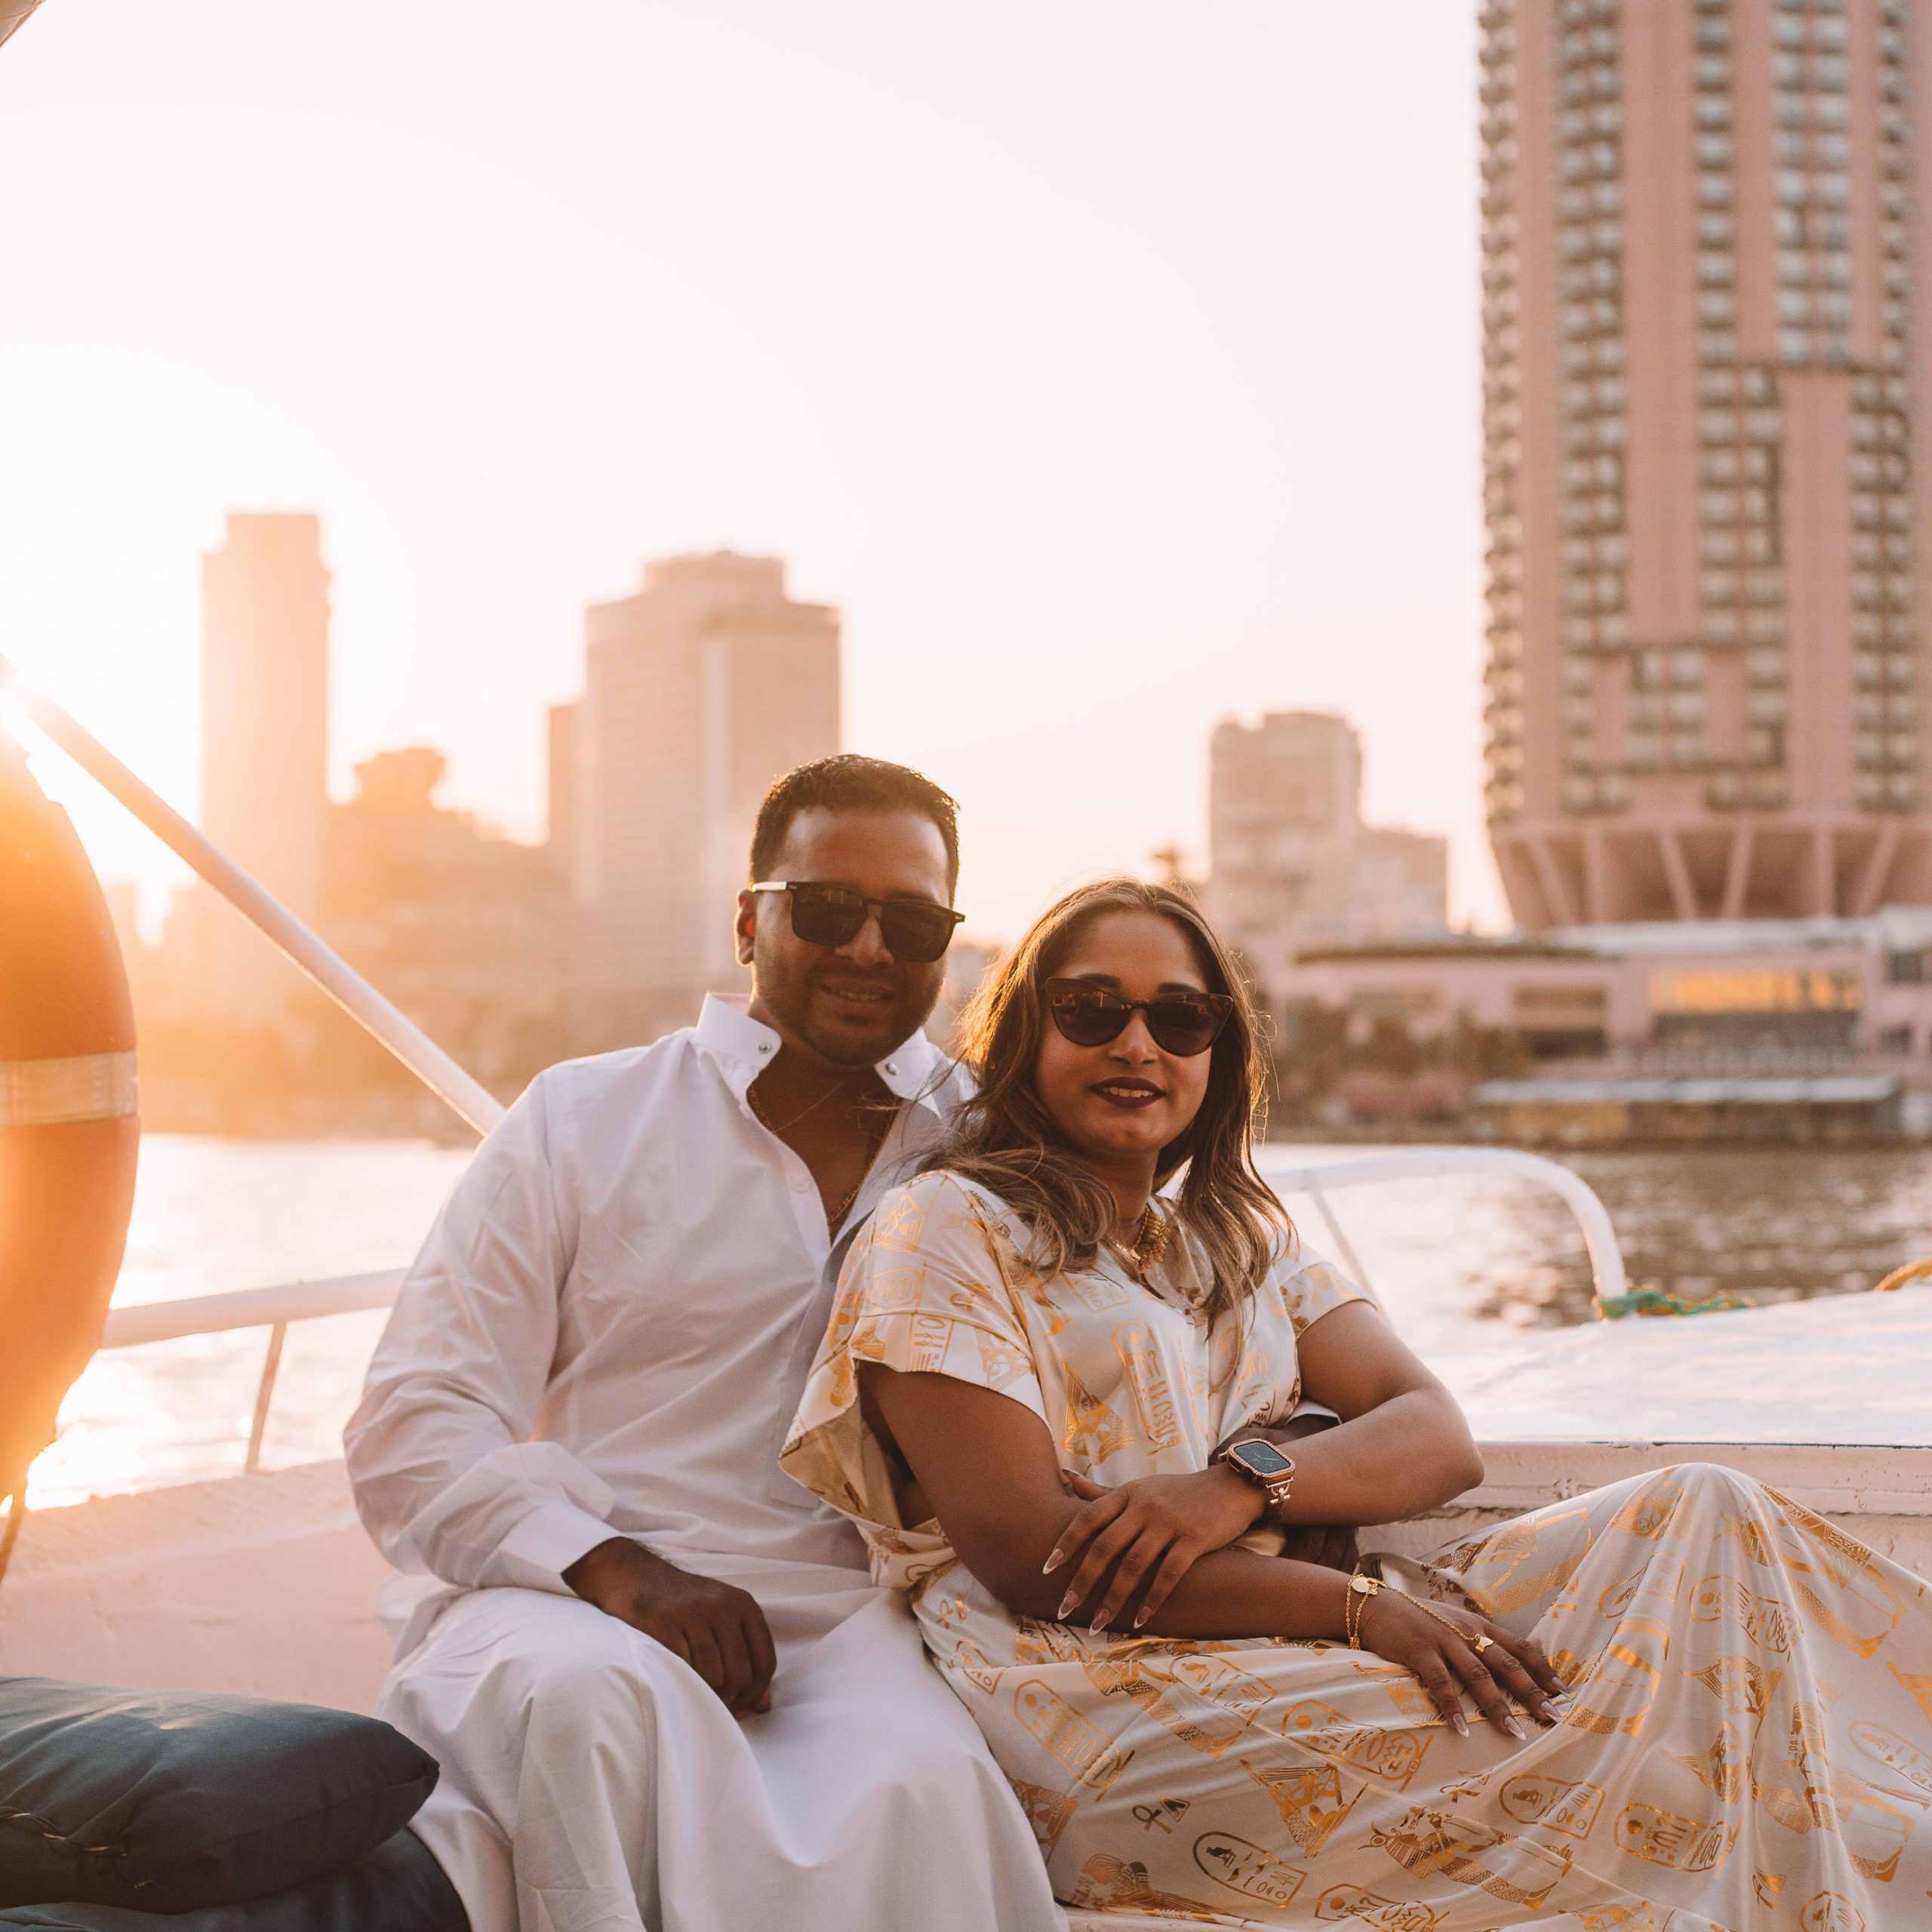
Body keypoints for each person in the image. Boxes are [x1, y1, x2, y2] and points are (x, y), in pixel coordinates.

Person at [783, 875, 1932, 1930]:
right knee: (1643, 1744)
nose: (1138, 1043)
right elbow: (1042, 1559)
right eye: (1092, 1008)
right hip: (1083, 1683)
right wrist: (1359, 1611)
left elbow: (1436, 1434)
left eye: (1182, 1019)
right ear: (1027, 1031)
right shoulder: (947, 1227)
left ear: (1217, 1056)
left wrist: (1238, 1486)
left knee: (1708, 1508)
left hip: (1287, 1607)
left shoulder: (1234, 1242)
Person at [344, 756, 1062, 1932]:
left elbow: (1184, 1317)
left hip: (853, 1624)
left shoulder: (995, 1151)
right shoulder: (580, 1120)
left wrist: (1273, 1464)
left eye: (913, 920)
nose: (871, 949)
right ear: (750, 919)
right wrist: (618, 1567)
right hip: (572, 1595)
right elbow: (413, 1423)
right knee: (587, 1709)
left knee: (930, 1785)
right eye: (828, 909)